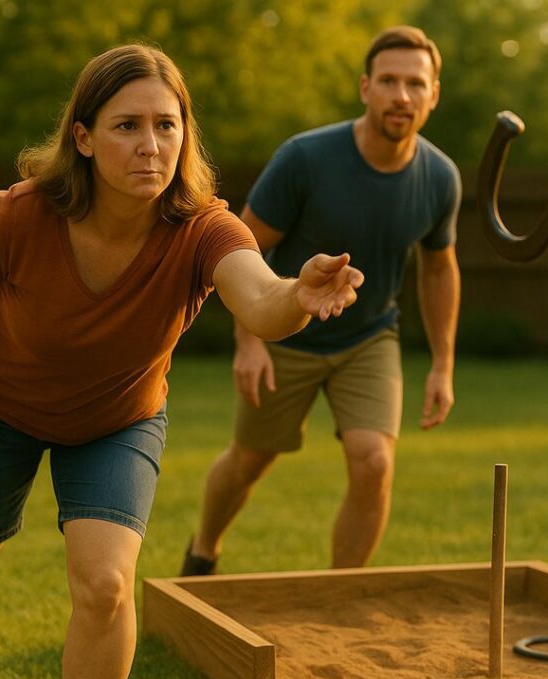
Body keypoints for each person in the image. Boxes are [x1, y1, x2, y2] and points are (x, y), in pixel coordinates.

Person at [0, 44, 363, 679]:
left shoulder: (203, 228)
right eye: (127, 126)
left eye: (166, 125)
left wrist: (298, 293)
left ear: (185, 135)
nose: (151, 145)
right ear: (83, 137)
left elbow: (262, 301)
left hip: (115, 420)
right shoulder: (20, 214)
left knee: (105, 585)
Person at [179, 25, 461, 575]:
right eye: (388, 81)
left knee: (374, 461)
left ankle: (341, 594)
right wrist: (249, 341)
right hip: (286, 329)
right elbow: (242, 246)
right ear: (365, 88)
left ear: (433, 95)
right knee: (249, 462)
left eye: (414, 83)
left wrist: (443, 364)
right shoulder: (306, 158)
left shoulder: (440, 177)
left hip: (369, 336)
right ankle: (204, 550)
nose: (401, 95)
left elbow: (438, 267)